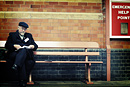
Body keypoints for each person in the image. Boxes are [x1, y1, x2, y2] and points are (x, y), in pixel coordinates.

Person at [5, 22, 38, 87]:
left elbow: (35, 45)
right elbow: (7, 45)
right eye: (22, 28)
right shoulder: (12, 35)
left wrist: (33, 46)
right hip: (15, 54)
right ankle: (23, 81)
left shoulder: (29, 35)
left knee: (23, 52)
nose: (23, 30)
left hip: (26, 55)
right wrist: (14, 45)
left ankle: (16, 65)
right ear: (18, 28)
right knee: (23, 59)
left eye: (25, 29)